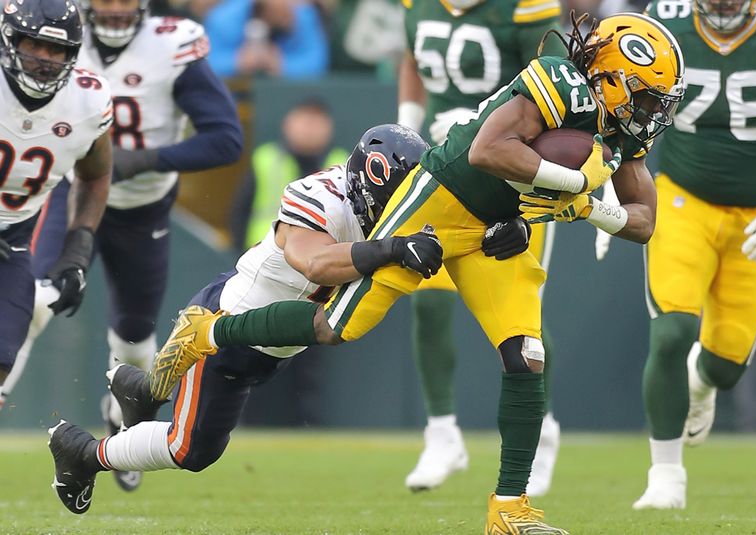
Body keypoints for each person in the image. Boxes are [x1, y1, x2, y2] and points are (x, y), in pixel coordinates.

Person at [66, 13, 684, 533]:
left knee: (527, 354)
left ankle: (509, 507)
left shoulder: (618, 129)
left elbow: (645, 222)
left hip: (497, 231)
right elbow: (486, 152)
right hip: (443, 202)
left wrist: (600, 213)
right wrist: (575, 184)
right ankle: (209, 333)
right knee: (340, 326)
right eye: (647, 95)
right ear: (609, 76)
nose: (652, 112)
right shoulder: (559, 82)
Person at [47, 124, 492, 515]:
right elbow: (314, 263)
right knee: (190, 448)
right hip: (225, 328)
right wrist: (392, 249)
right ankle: (82, 453)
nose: (401, 210)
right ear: (369, 181)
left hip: (271, 342)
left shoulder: (391, 208)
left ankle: (143, 391)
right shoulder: (322, 196)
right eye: (395, 197)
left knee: (195, 441)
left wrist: (496, 232)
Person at [3, 0, 243, 491]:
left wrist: (146, 159)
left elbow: (225, 139)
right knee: (36, 304)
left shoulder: (172, 45)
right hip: (67, 191)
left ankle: (125, 423)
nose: (114, 7)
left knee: (134, 340)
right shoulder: (57, 32)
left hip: (143, 207)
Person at [625, 0, 756, 510]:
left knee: (726, 366)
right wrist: (610, 185)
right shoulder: (664, 21)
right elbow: (615, 107)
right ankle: (666, 476)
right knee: (673, 329)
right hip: (683, 200)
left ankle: (703, 382)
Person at [396, 0, 563, 495]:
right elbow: (413, 57)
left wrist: (480, 120)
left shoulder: (524, 9)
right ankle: (442, 433)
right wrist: (409, 120)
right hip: (448, 168)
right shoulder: (416, 6)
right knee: (426, 295)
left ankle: (543, 428)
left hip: (514, 173)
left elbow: (556, 82)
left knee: (520, 319)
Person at [0, 0, 112, 406]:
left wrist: (78, 246)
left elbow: (95, 174)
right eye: (34, 45)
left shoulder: (88, 101)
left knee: (2, 359)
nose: (45, 59)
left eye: (57, 50)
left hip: (11, 240)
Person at [230, 98, 348, 252]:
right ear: (287, 124)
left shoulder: (343, 163)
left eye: (317, 122)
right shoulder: (265, 158)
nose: (310, 129)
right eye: (304, 121)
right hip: (265, 254)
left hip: (324, 258)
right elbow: (240, 211)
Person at [205, 0, 329, 78]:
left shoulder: (303, 14)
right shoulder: (223, 18)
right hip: (234, 96)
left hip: (286, 97)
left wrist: (280, 65)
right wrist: (238, 61)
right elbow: (205, 64)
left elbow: (317, 63)